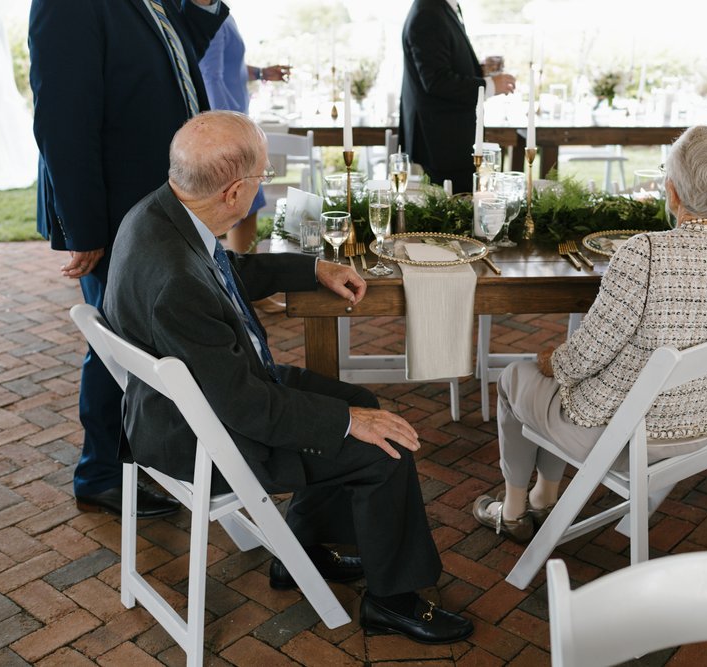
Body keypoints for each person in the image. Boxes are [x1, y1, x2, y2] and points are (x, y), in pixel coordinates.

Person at [103, 110, 474, 645]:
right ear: (234, 193)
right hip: (207, 437)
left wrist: (311, 268)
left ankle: (304, 547)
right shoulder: (175, 283)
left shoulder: (158, 213)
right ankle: (393, 600)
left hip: (196, 400)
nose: (264, 186)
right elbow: (249, 409)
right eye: (262, 178)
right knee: (384, 444)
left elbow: (224, 275)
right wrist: (349, 424)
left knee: (359, 399)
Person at [473, 125, 707, 542]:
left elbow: (583, 357)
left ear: (673, 191)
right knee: (556, 378)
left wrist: (553, 360)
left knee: (515, 378)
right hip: (700, 430)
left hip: (623, 436)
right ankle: (543, 496)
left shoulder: (646, 252)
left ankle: (516, 509)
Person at [28, 0, 228, 518]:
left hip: (160, 206)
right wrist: (85, 226)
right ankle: (101, 474)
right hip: (116, 213)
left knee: (146, 340)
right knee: (117, 345)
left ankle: (148, 460)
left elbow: (177, 64)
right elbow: (61, 119)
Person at [400, 0, 515, 194]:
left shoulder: (442, 7)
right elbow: (436, 81)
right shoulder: (428, 13)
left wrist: (477, 69)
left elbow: (441, 62)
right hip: (442, 141)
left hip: (447, 137)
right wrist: (491, 85)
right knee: (453, 212)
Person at [198, 14, 290, 255]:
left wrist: (260, 73)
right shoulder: (211, 17)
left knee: (249, 205)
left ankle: (250, 286)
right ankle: (247, 288)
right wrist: (233, 130)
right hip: (232, 132)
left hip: (237, 124)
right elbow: (211, 76)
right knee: (241, 206)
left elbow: (229, 67)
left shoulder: (223, 14)